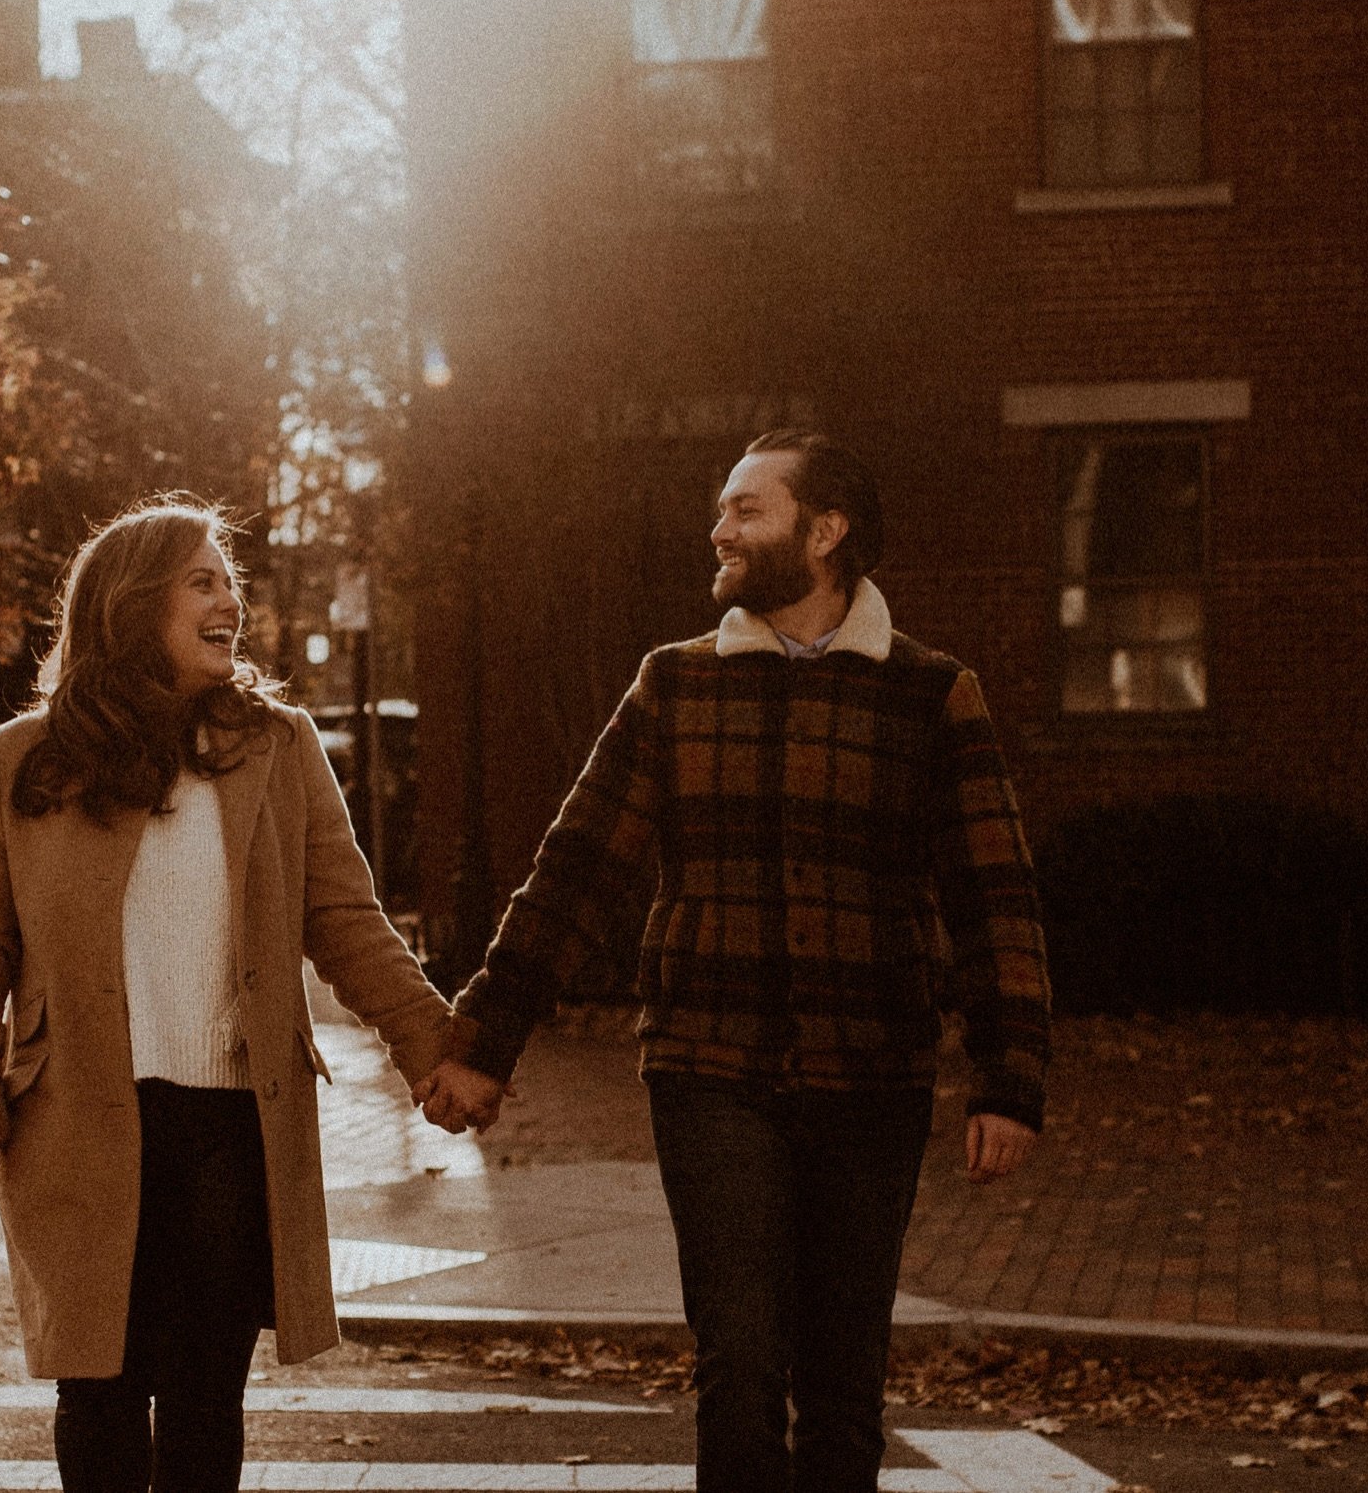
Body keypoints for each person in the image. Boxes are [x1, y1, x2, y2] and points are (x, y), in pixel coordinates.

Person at [418, 430, 1052, 1493]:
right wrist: (484, 1039)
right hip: (709, 1071)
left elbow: (994, 895)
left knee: (844, 1386)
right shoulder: (675, 685)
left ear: (826, 531)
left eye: (746, 509)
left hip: (873, 1076)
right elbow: (575, 870)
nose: (720, 529)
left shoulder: (931, 695)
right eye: (723, 508)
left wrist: (1010, 1077)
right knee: (742, 1365)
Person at [0, 497, 454, 1493]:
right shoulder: (19, 760)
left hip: (229, 1125)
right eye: (203, 581)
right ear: (132, 604)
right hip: (76, 1116)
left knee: (207, 1394)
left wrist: (431, 1042)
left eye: (231, 583)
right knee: (99, 1388)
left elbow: (344, 918)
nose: (231, 602)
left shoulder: (278, 746)